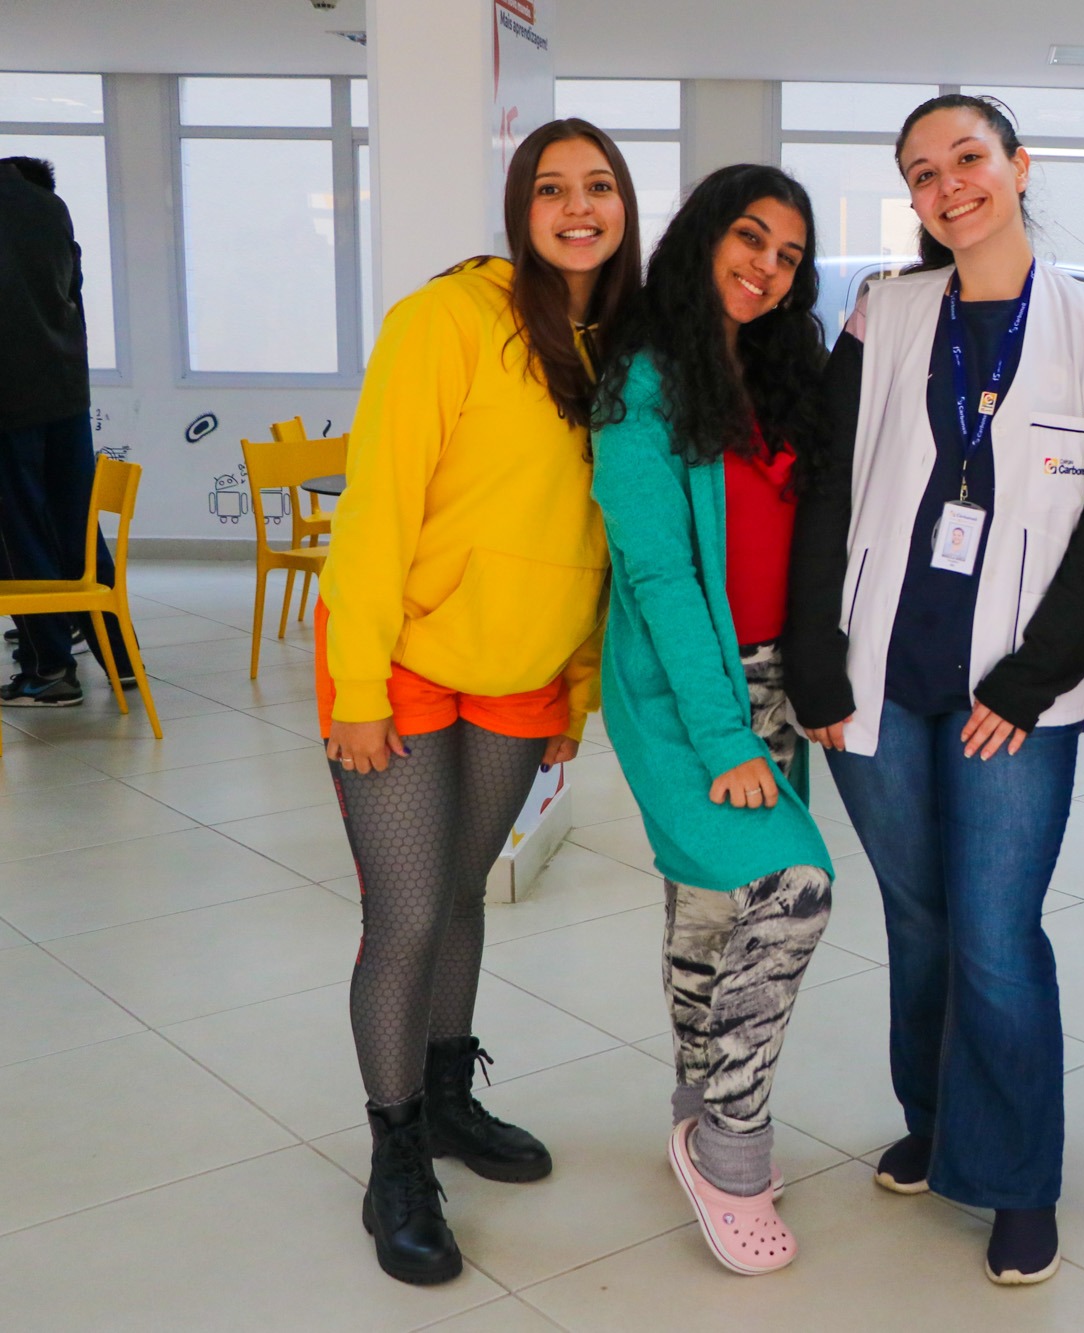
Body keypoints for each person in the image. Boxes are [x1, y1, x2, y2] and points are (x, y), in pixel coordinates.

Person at [783, 93, 1084, 1286]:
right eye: (921, 171)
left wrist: (1036, 677)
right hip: (880, 676)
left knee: (996, 933)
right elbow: (829, 487)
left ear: (1018, 165)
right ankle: (938, 1122)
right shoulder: (880, 312)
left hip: (1013, 692)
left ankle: (1016, 1178)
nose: (948, 185)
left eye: (968, 158)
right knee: (918, 917)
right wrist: (816, 657)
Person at [314, 118, 639, 1284]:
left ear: (625, 207)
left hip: (524, 670)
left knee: (462, 894)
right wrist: (357, 685)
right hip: (403, 659)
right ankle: (395, 1153)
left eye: (598, 186)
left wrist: (577, 689)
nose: (577, 207)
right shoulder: (446, 317)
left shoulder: (620, 346)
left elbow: (601, 533)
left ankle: (448, 1097)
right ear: (519, 208)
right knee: (406, 913)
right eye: (551, 187)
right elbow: (377, 507)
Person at [589, 163, 834, 1276]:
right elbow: (657, 572)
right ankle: (731, 1147)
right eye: (749, 238)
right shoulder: (644, 376)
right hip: (688, 693)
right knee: (791, 888)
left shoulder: (778, 369)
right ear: (700, 237)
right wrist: (725, 735)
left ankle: (691, 1105)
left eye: (789, 255)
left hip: (778, 676)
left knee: (707, 904)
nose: (766, 268)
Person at [0, 155, 137, 706]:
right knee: (78, 527)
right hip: (65, 391)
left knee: (19, 536)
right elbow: (72, 288)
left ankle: (51, 666)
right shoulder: (50, 209)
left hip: (8, 402)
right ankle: (120, 657)